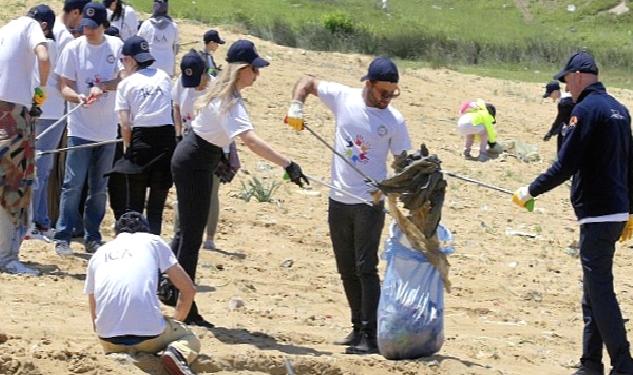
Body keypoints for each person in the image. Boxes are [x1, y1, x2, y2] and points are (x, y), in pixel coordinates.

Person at [169, 40, 308, 327]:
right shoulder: (230, 101)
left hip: (196, 157)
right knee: (191, 237)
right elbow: (251, 141)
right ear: (242, 70)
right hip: (194, 161)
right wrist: (288, 164)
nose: (257, 75)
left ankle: (174, 292)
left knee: (187, 233)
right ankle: (186, 306)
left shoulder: (221, 91)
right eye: (254, 70)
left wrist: (218, 155)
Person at [513, 51, 633, 375]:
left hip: (597, 212)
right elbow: (629, 163)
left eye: (567, 81)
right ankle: (590, 363)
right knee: (592, 290)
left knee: (601, 290)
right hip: (615, 211)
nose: (566, 87)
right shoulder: (620, 110)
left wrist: (530, 191)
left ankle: (623, 364)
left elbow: (565, 164)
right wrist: (630, 210)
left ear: (578, 75)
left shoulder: (586, 111)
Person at [285, 56, 411, 354]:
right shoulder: (344, 98)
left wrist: (412, 173)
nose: (387, 99)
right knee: (346, 268)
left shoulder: (394, 120)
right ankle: (357, 328)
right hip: (338, 199)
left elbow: (403, 159)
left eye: (393, 93)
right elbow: (307, 81)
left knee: (365, 267)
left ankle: (372, 333)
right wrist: (296, 106)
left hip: (369, 203)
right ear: (368, 84)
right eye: (383, 92)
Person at [84, 211, 199, 375]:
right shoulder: (153, 241)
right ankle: (176, 353)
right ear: (146, 230)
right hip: (149, 336)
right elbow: (188, 289)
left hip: (109, 340)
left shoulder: (99, 253)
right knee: (189, 338)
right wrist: (176, 322)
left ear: (116, 234)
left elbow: (94, 315)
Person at [54, 2, 123, 255]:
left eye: (93, 28)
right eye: (85, 26)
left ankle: (92, 236)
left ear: (103, 26)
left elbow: (124, 78)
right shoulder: (72, 49)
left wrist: (103, 85)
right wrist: (77, 97)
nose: (87, 31)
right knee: (72, 184)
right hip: (79, 129)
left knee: (98, 188)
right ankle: (62, 235)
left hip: (107, 130)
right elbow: (64, 85)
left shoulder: (116, 47)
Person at [0, 6, 51, 275]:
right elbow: (43, 57)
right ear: (43, 25)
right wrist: (39, 94)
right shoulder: (30, 27)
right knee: (15, 186)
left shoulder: (4, 29)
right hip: (14, 114)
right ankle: (7, 257)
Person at [113, 35, 175, 235]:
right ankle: (154, 247)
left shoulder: (126, 84)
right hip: (166, 139)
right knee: (156, 207)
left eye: (123, 60)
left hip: (141, 139)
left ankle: (132, 246)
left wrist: (127, 147)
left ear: (131, 60)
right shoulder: (164, 76)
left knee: (134, 206)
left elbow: (125, 123)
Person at [30, 3, 78, 241]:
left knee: (38, 170)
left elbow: (41, 84)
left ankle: (37, 221)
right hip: (52, 113)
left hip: (43, 113)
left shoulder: (46, 47)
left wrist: (35, 104)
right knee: (42, 170)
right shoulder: (58, 46)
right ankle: (37, 221)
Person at [137, 0, 179, 76]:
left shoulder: (146, 25)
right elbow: (176, 49)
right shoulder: (173, 26)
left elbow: (137, 43)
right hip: (167, 66)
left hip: (150, 65)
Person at [542, 80, 575, 152]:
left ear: (555, 92)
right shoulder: (568, 96)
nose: (550, 96)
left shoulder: (563, 103)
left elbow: (559, 119)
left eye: (550, 94)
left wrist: (550, 132)